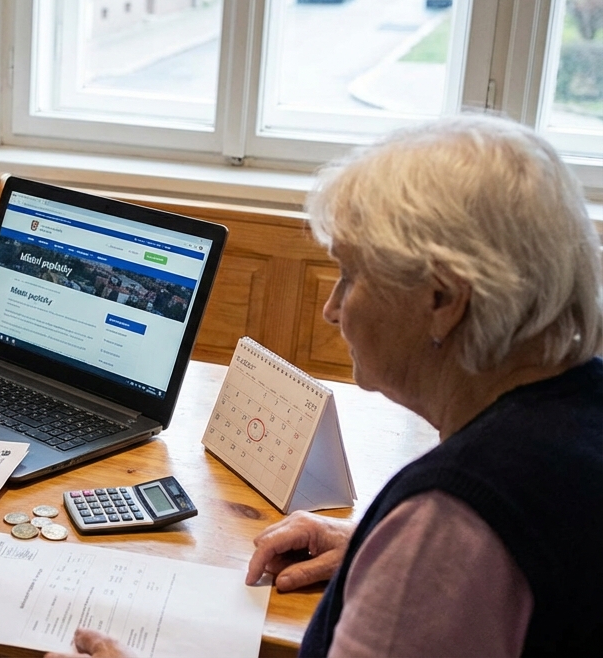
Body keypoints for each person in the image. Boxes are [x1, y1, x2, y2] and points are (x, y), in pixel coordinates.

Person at [46, 115, 603, 658]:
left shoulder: (451, 520)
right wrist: (372, 542)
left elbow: (470, 543)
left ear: (442, 300)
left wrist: (418, 559)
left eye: (352, 276)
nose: (332, 308)